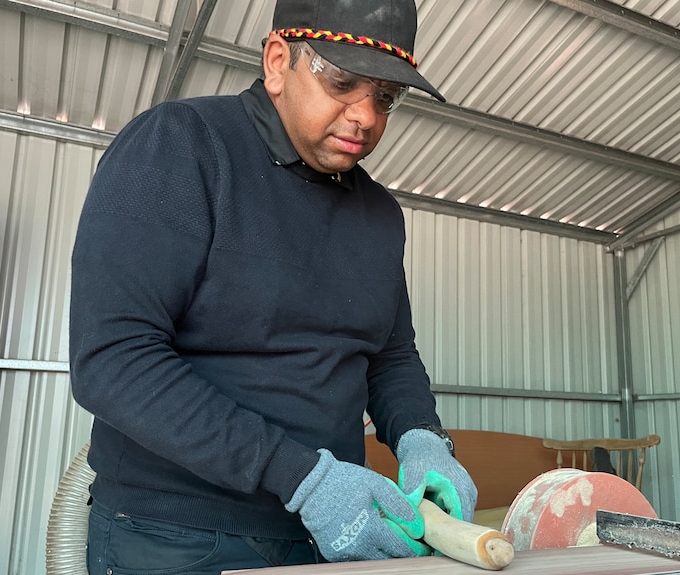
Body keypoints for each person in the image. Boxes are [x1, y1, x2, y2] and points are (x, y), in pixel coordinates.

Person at [68, 0, 478, 573]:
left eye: (385, 97)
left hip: (331, 534)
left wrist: (420, 439)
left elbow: (389, 355)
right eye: (342, 81)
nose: (365, 116)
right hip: (179, 534)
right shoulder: (182, 147)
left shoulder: (380, 214)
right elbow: (114, 361)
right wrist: (304, 478)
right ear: (278, 61)